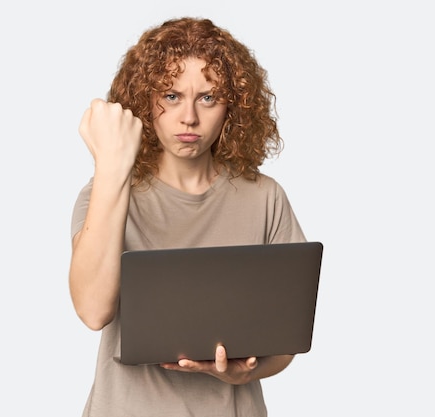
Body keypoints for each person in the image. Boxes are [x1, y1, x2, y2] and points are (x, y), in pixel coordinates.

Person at [69, 17, 307, 416]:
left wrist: (243, 374)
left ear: (234, 105)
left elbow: (287, 339)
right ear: (145, 100)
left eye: (208, 97)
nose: (189, 118)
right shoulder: (104, 194)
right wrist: (112, 167)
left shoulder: (265, 197)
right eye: (171, 96)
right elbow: (93, 310)